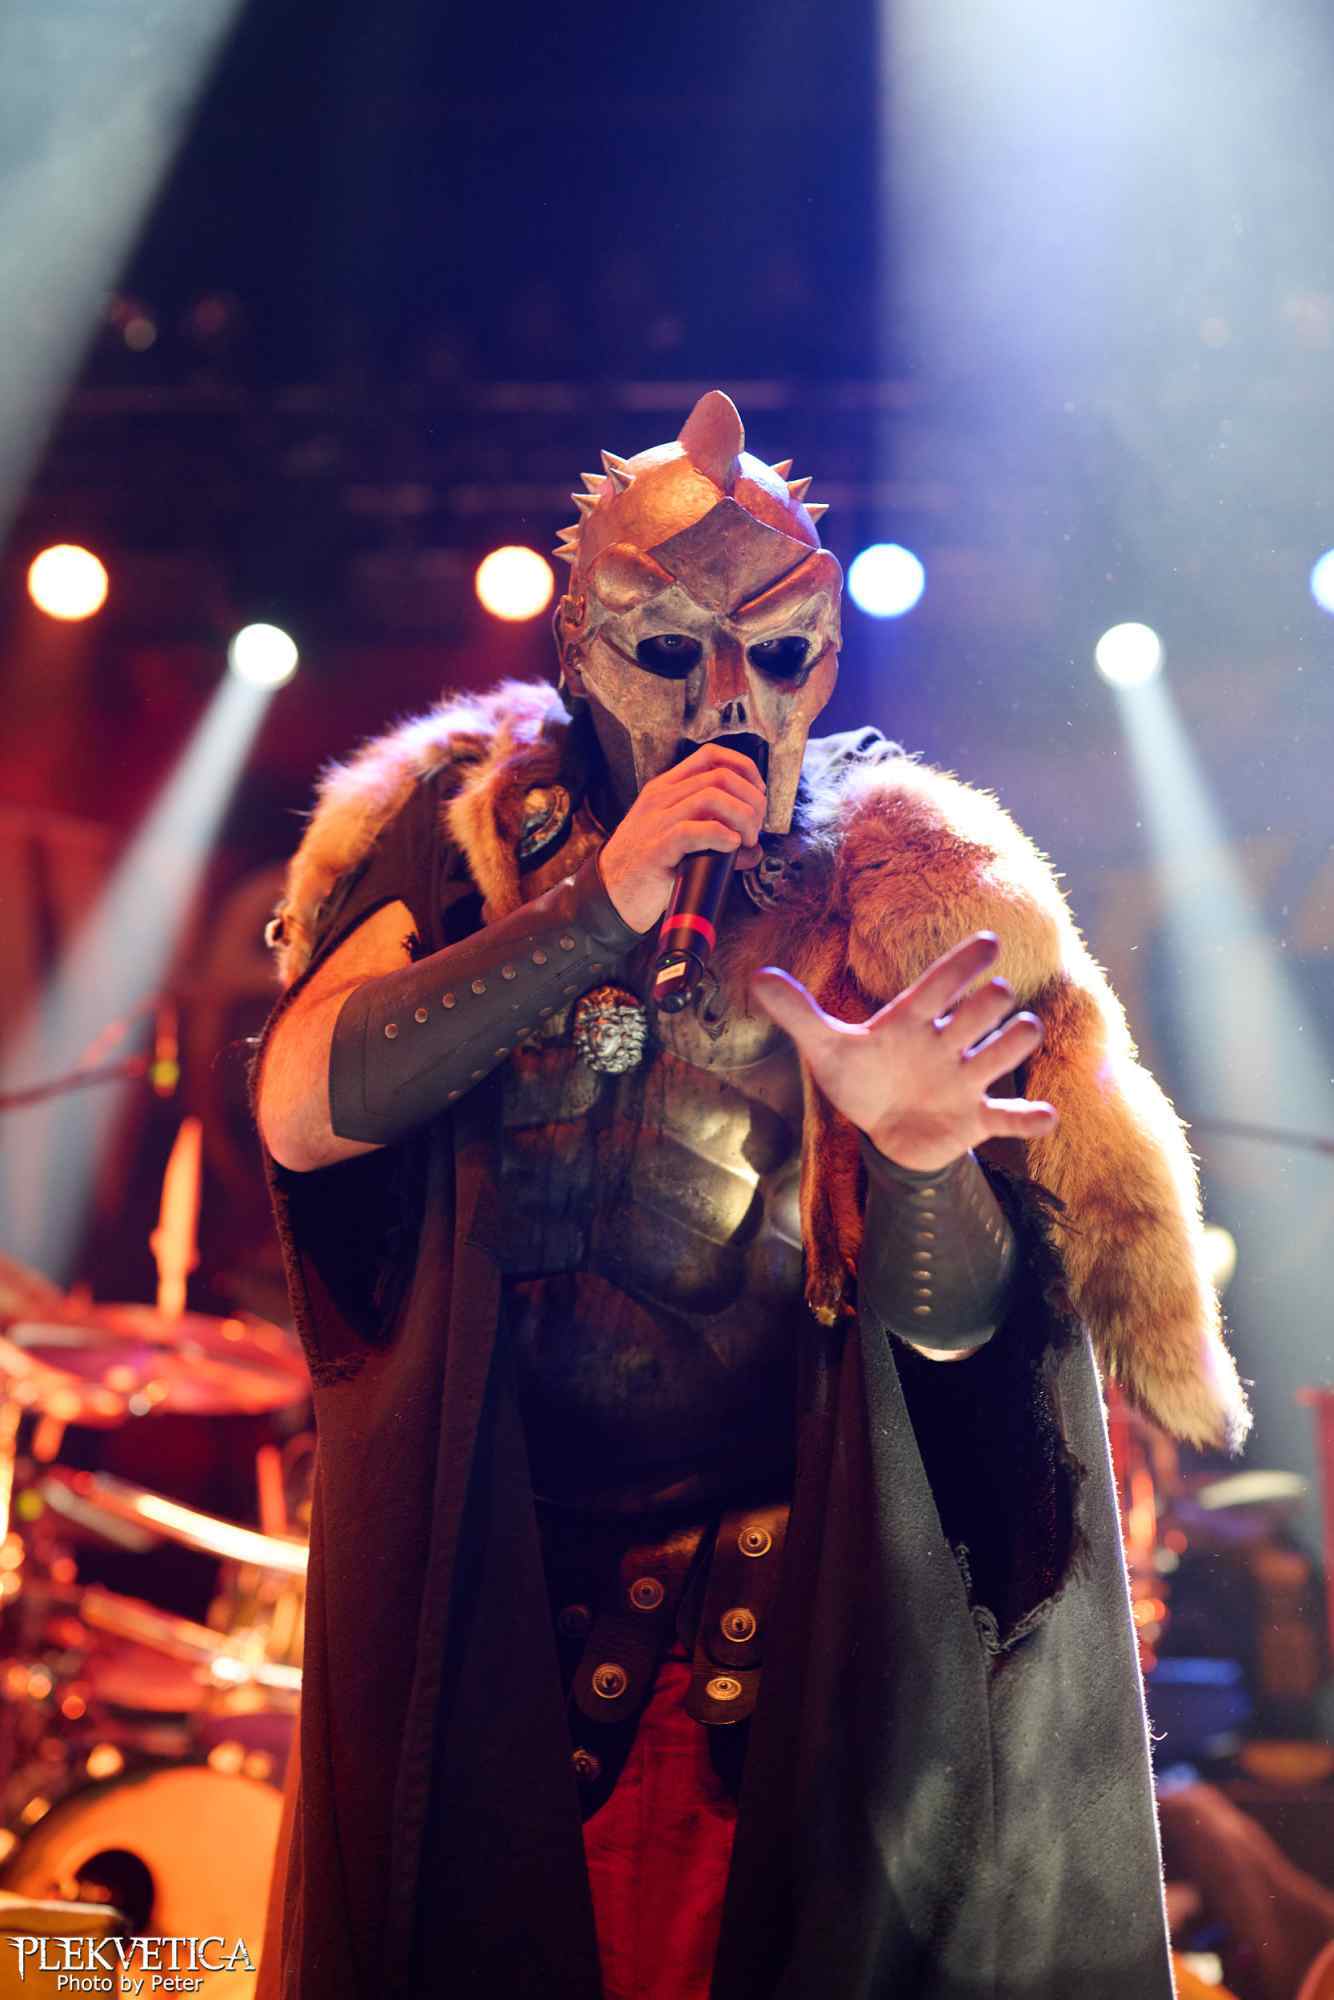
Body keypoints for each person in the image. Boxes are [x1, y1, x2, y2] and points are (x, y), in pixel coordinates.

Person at [253, 391, 1249, 2000]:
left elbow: (972, 1363)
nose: (728, 703)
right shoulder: (463, 829)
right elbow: (303, 1112)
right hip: (490, 1591)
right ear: (578, 645)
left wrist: (917, 1163)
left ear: (828, 653)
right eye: (671, 652)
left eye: (778, 655)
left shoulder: (909, 882)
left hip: (780, 1626)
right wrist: (596, 904)